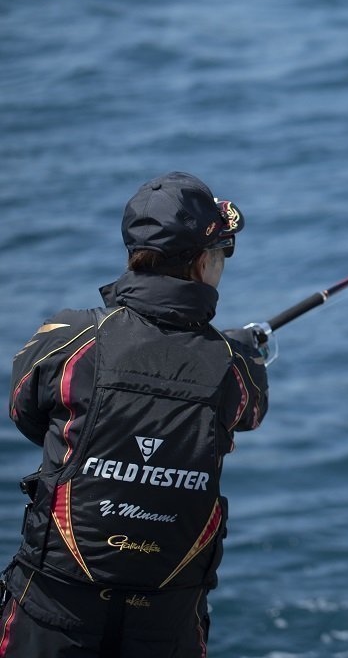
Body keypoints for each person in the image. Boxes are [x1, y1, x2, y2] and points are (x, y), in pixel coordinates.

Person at [1, 172, 270, 657]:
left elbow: (25, 412)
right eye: (224, 252)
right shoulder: (236, 368)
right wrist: (240, 348)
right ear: (203, 262)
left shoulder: (66, 341)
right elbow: (247, 412)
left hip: (49, 612)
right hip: (166, 623)